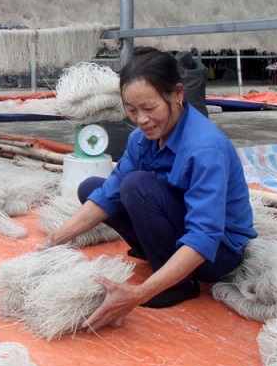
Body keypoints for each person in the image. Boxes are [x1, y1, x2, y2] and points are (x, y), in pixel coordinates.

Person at [38, 47, 255, 331]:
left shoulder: (204, 148)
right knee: (93, 187)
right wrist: (51, 242)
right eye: (132, 110)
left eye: (149, 108)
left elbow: (205, 235)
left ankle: (179, 283)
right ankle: (155, 253)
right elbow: (107, 195)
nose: (141, 120)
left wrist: (139, 294)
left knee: (136, 186)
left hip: (217, 253)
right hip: (182, 226)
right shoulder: (142, 140)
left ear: (177, 94)